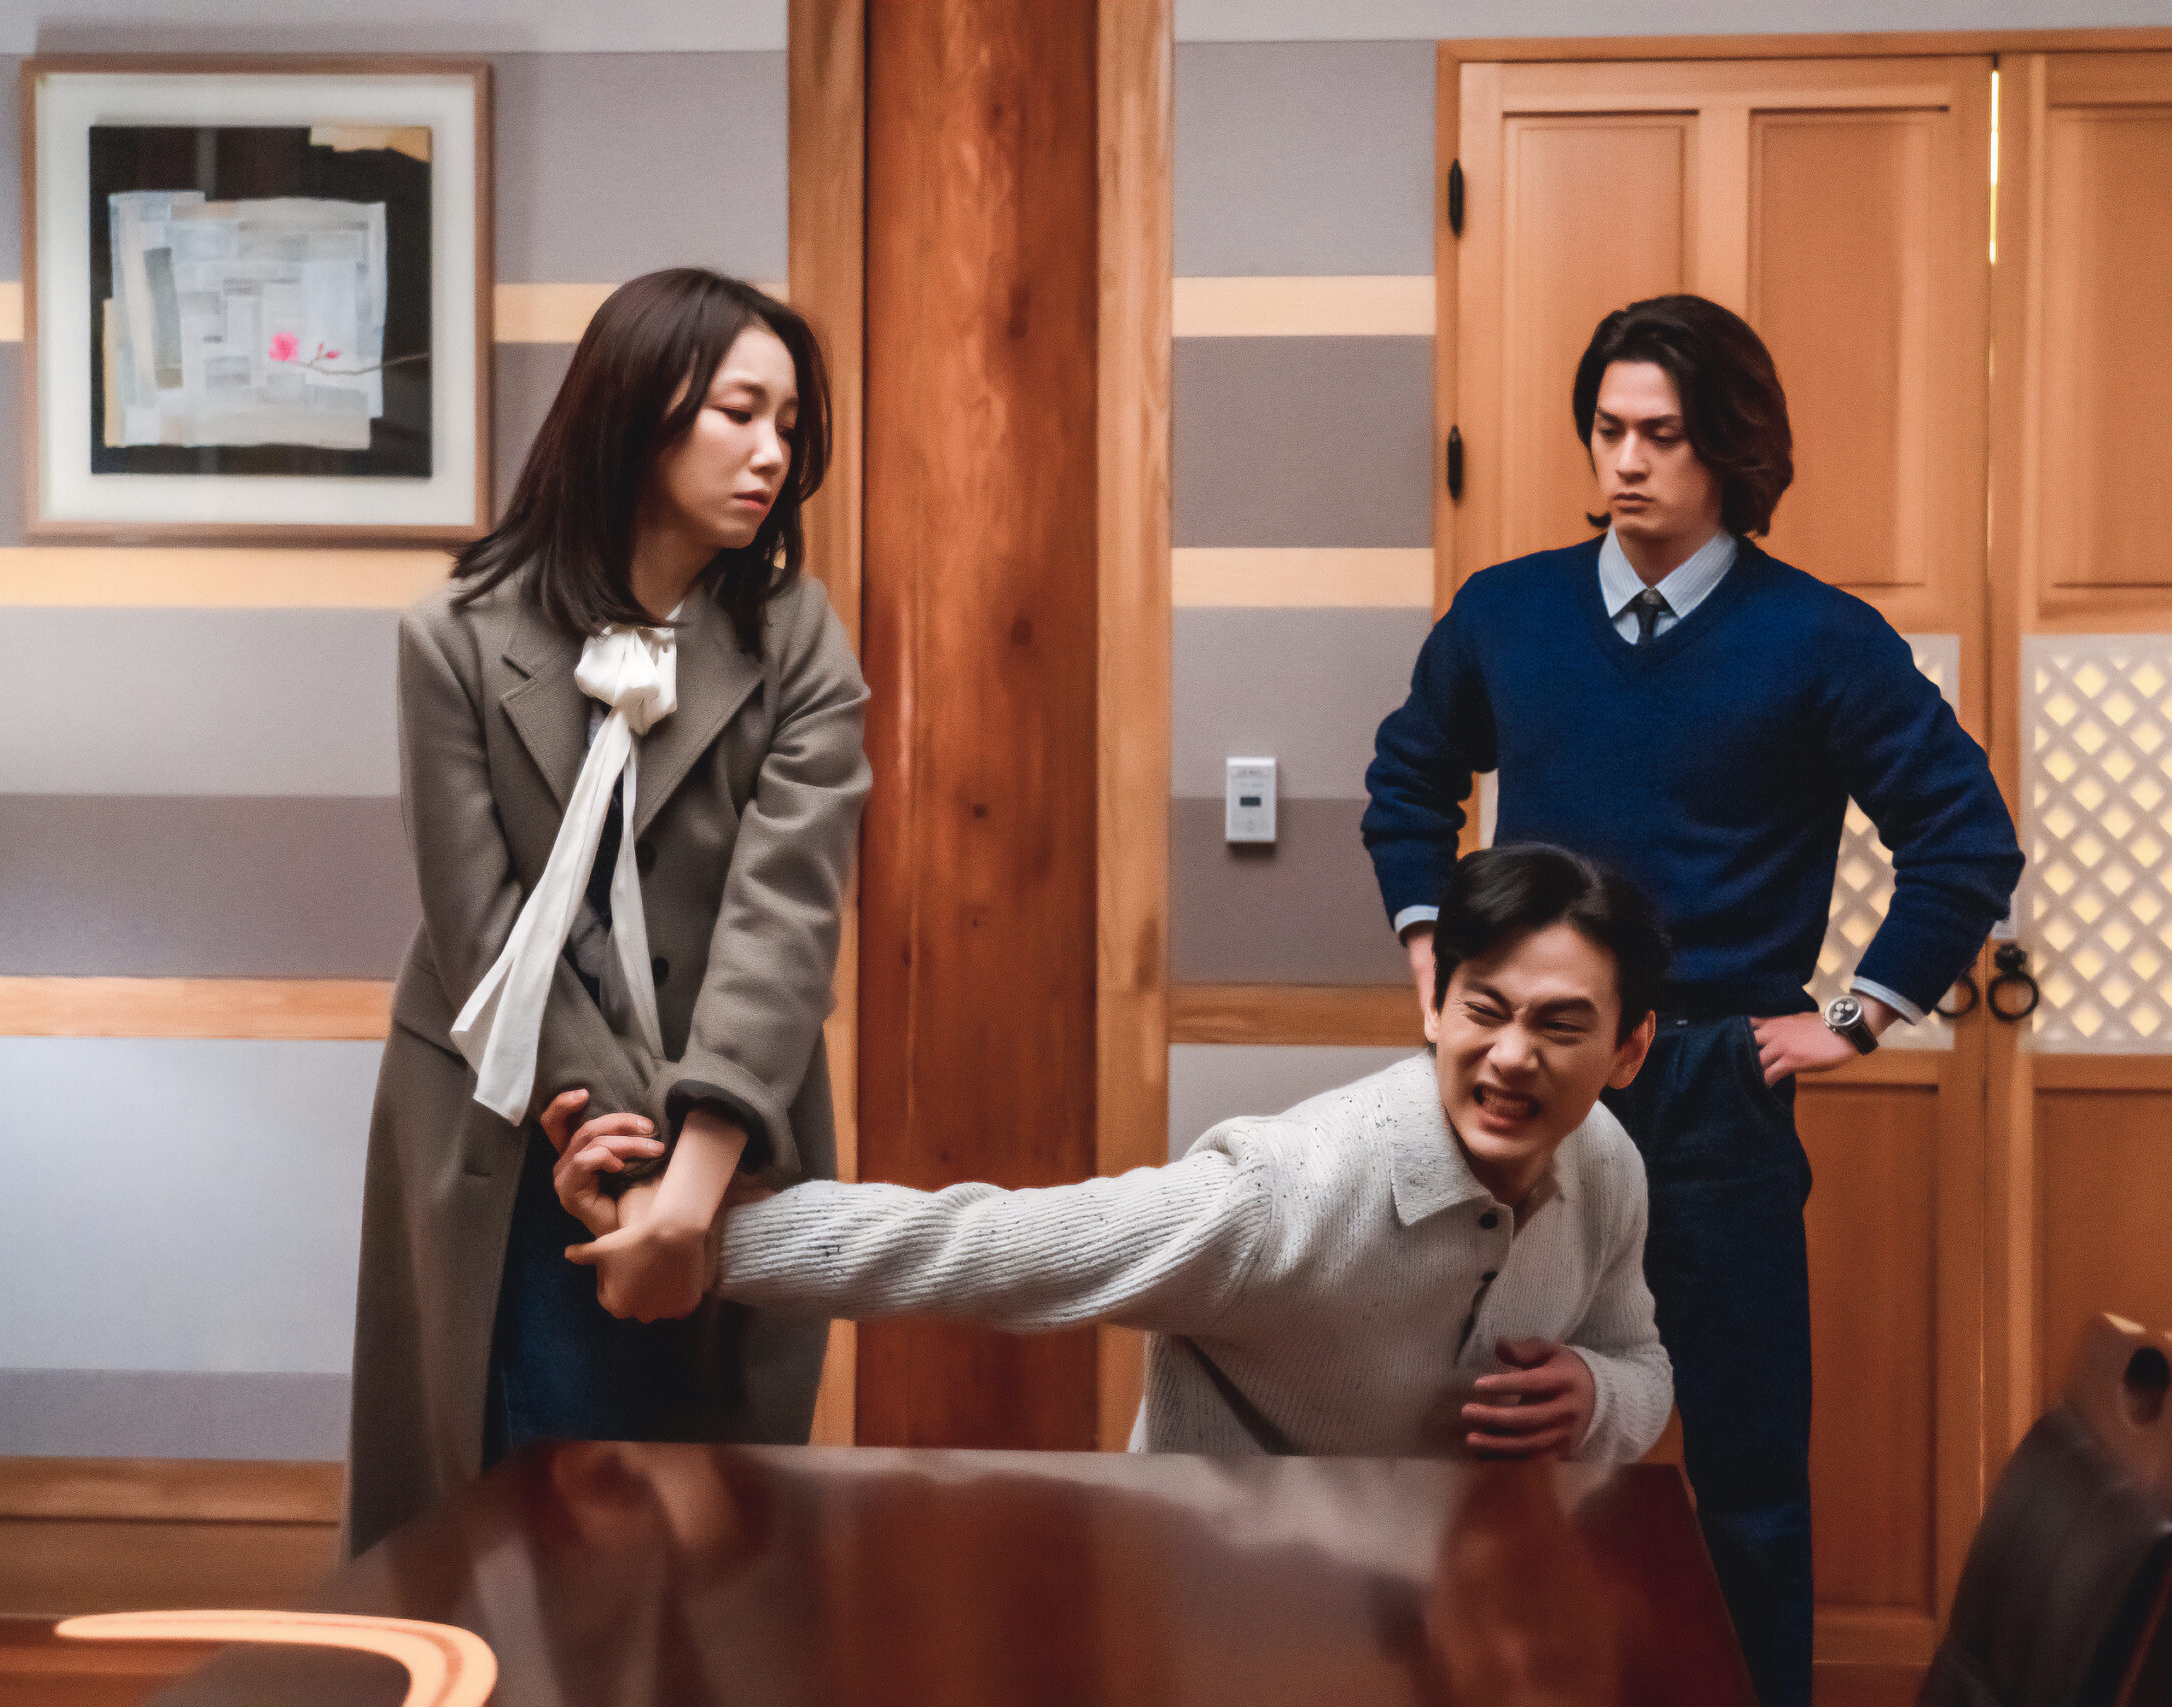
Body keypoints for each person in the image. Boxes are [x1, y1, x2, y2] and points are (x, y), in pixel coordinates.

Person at [1362, 295, 2023, 1706]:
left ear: (1728, 449)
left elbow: (1966, 839)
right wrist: (1431, 944)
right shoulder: (1507, 613)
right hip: (1525, 1079)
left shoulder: (1821, 640)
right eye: (1608, 429)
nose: (1627, 462)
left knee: (1746, 1474)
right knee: (1491, 1420)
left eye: (1661, 434)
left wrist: (1852, 1016)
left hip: (1717, 1087)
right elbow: (1410, 780)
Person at [551, 844, 1675, 1464]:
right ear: (1434, 1005)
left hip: (1472, 1601)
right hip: (1228, 1602)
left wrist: (1596, 1399)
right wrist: (690, 1231)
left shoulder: (1606, 1165)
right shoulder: (1287, 1194)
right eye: (1485, 1009)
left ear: (1629, 1049)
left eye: (1560, 1025)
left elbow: (1640, 1361)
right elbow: (980, 1244)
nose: (1512, 1056)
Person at [345, 268, 871, 1553]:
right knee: (530, 1520)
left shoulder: (796, 636)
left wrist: (684, 1190)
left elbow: (785, 922)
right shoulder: (455, 637)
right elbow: (483, 931)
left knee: (714, 1535)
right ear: (635, 411)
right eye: (739, 413)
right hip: (520, 1123)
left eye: (788, 425)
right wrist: (622, 1167)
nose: (772, 454)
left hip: (728, 1128)